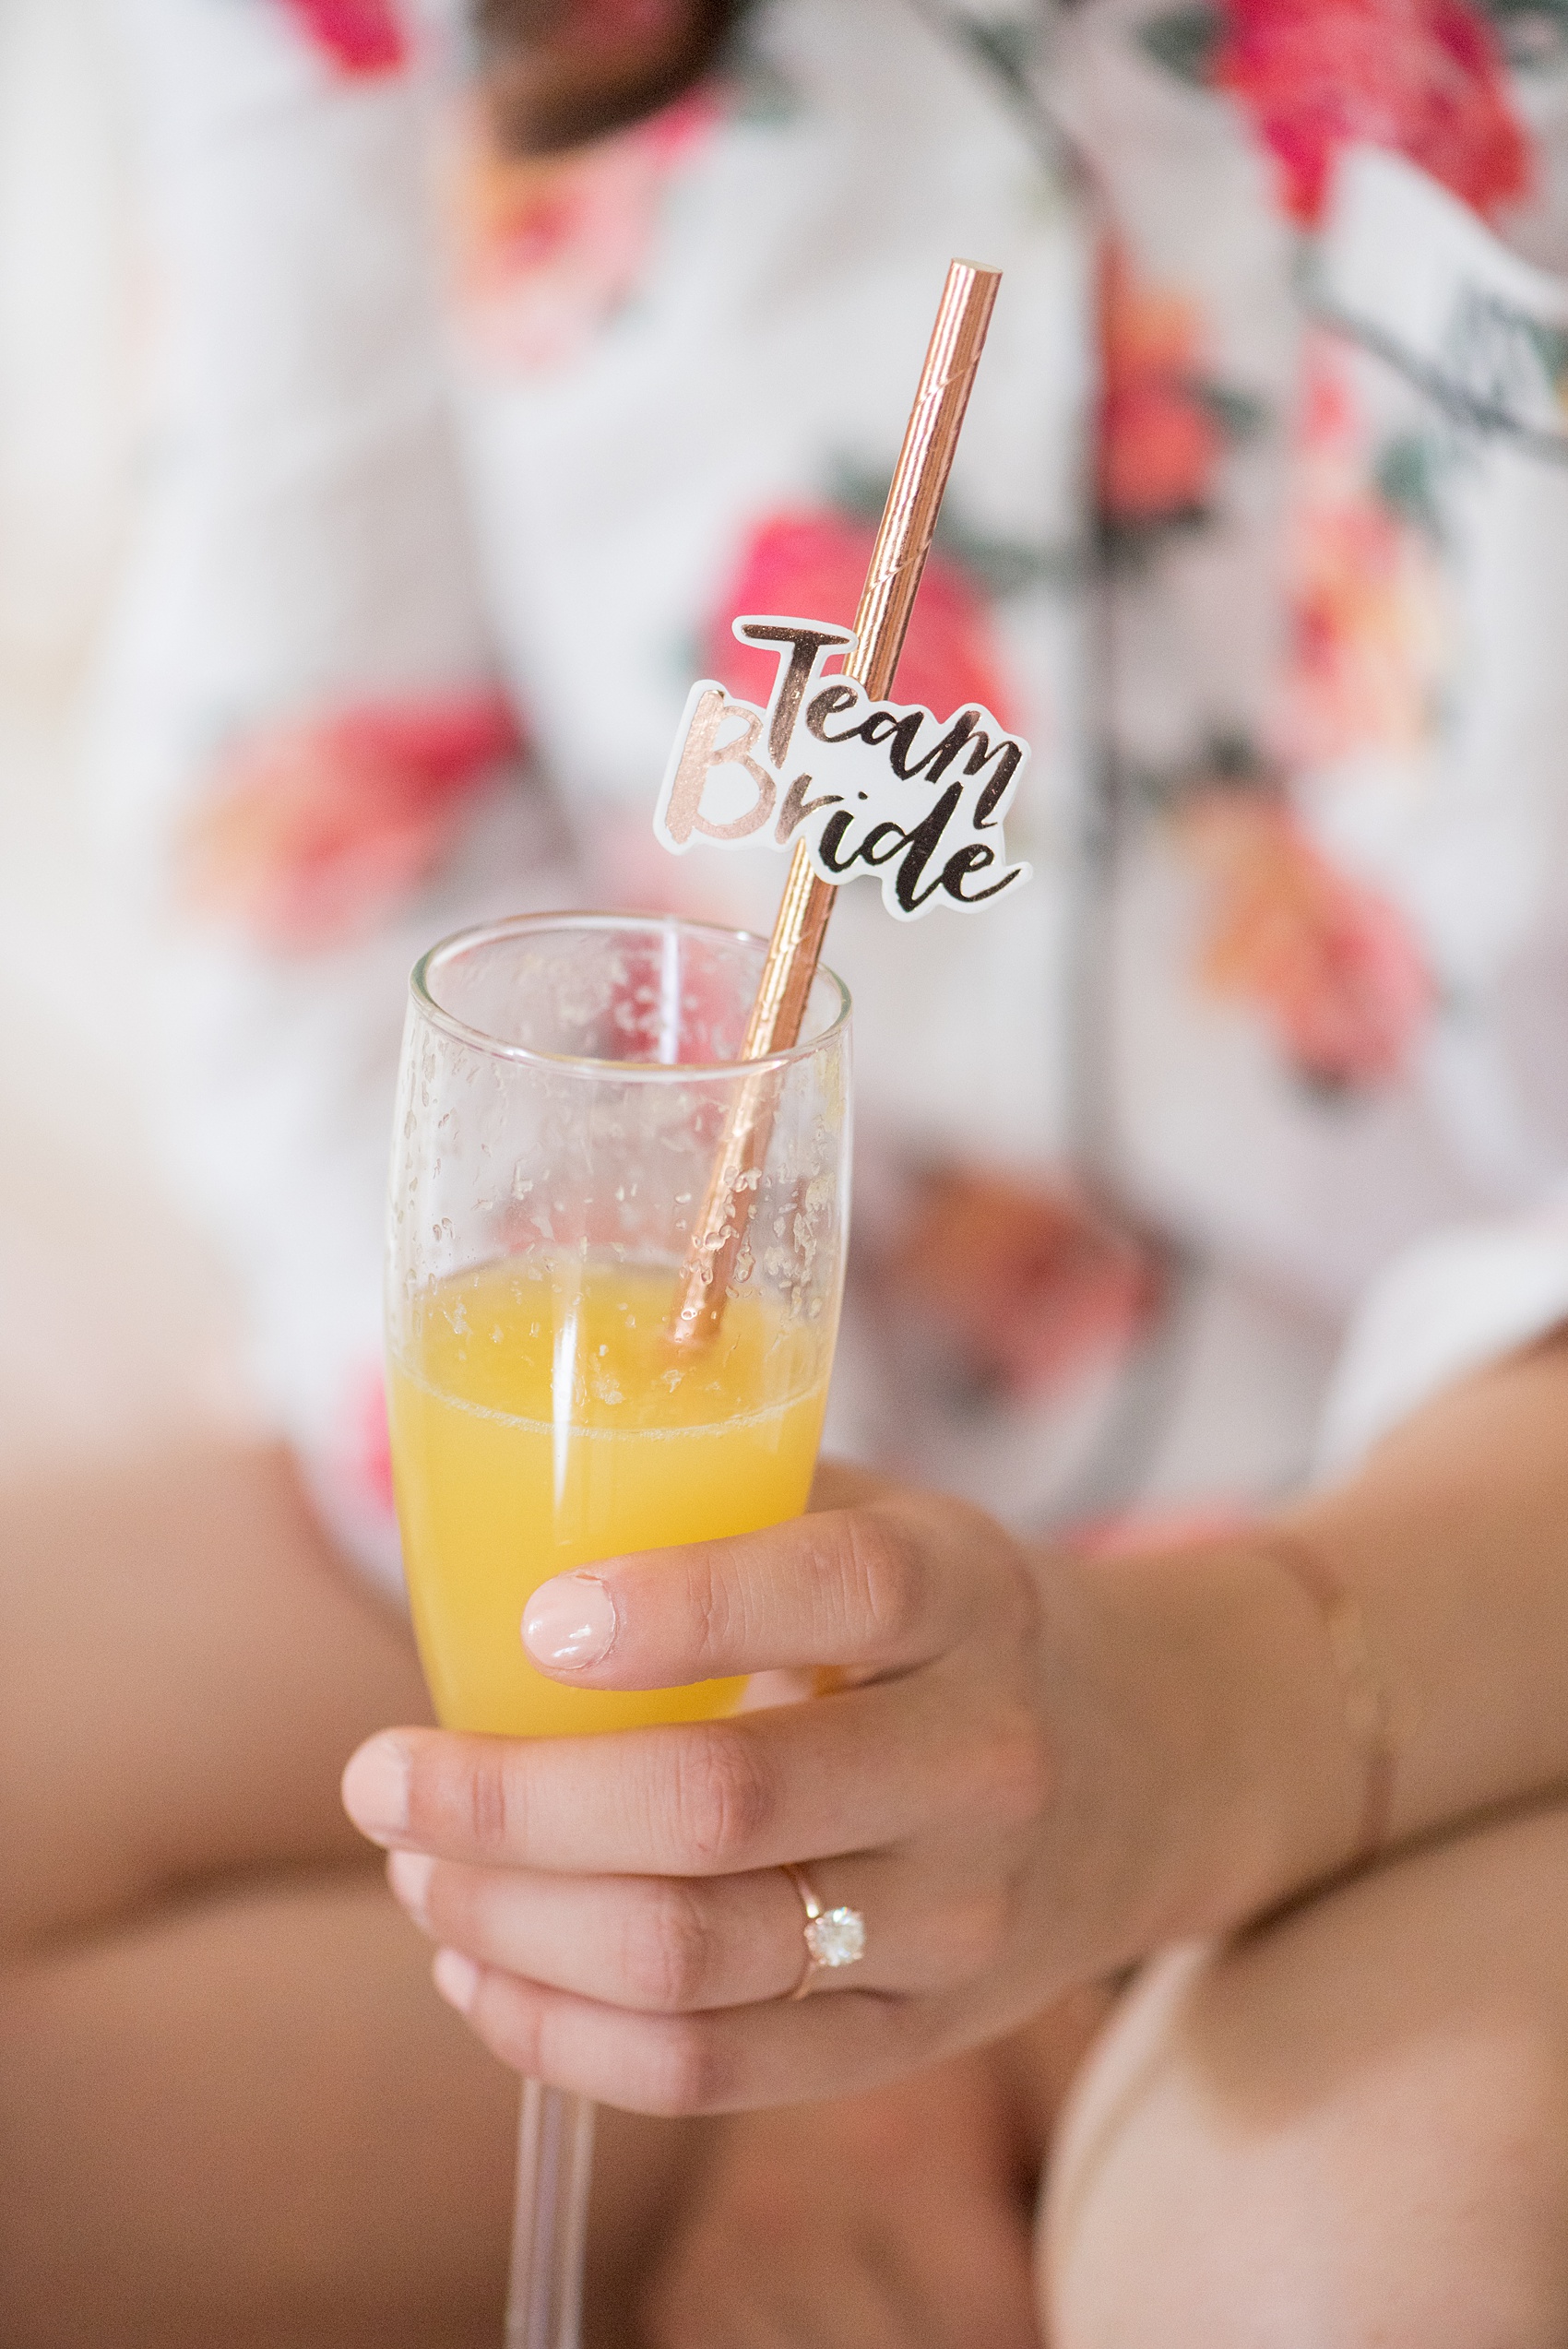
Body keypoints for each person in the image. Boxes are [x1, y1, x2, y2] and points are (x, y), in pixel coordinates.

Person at [9, 0, 1568, 2339]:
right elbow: (329, 847)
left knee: (1349, 2277)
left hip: (1456, 1546)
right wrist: (840, 1912)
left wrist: (1191, 1736)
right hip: (717, 1415)